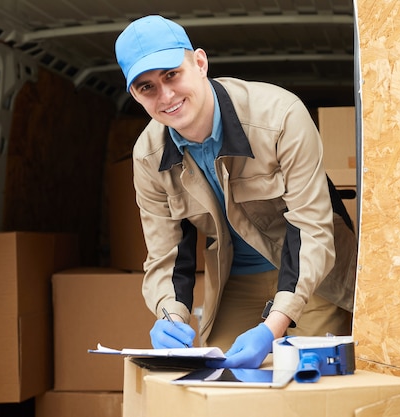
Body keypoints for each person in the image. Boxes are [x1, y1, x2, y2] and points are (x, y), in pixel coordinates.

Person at [114, 15, 357, 369]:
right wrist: (169, 315)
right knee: (217, 381)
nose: (165, 96)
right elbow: (164, 253)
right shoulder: (148, 155)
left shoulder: (281, 116)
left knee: (307, 382)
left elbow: (312, 229)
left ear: (199, 62)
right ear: (135, 95)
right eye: (146, 87)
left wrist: (274, 325)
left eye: (171, 75)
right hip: (234, 281)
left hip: (315, 276)